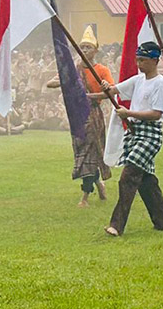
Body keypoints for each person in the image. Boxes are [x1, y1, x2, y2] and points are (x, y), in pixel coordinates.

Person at [102, 41, 163, 237]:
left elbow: (157, 114)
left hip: (150, 136)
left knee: (128, 177)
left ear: (154, 60)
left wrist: (129, 112)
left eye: (142, 60)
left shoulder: (160, 83)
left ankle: (116, 225)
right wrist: (105, 88)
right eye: (137, 59)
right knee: (147, 181)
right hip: (134, 134)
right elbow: (113, 91)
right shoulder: (138, 80)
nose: (139, 63)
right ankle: (162, 223)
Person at [48, 26, 114, 208]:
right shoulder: (74, 70)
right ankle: (98, 183)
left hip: (93, 115)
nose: (85, 51)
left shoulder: (101, 70)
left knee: (90, 152)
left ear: (96, 50)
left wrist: (90, 95)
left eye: (88, 48)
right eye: (82, 47)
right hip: (78, 116)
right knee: (83, 152)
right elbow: (50, 83)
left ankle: (85, 196)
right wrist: (67, 81)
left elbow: (109, 93)